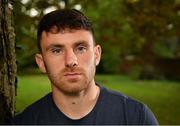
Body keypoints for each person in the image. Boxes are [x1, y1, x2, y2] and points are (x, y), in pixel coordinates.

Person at [12, 9, 158, 125]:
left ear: (97, 55)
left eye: (80, 48)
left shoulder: (136, 118)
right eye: (57, 51)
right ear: (41, 63)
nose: (71, 61)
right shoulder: (24, 123)